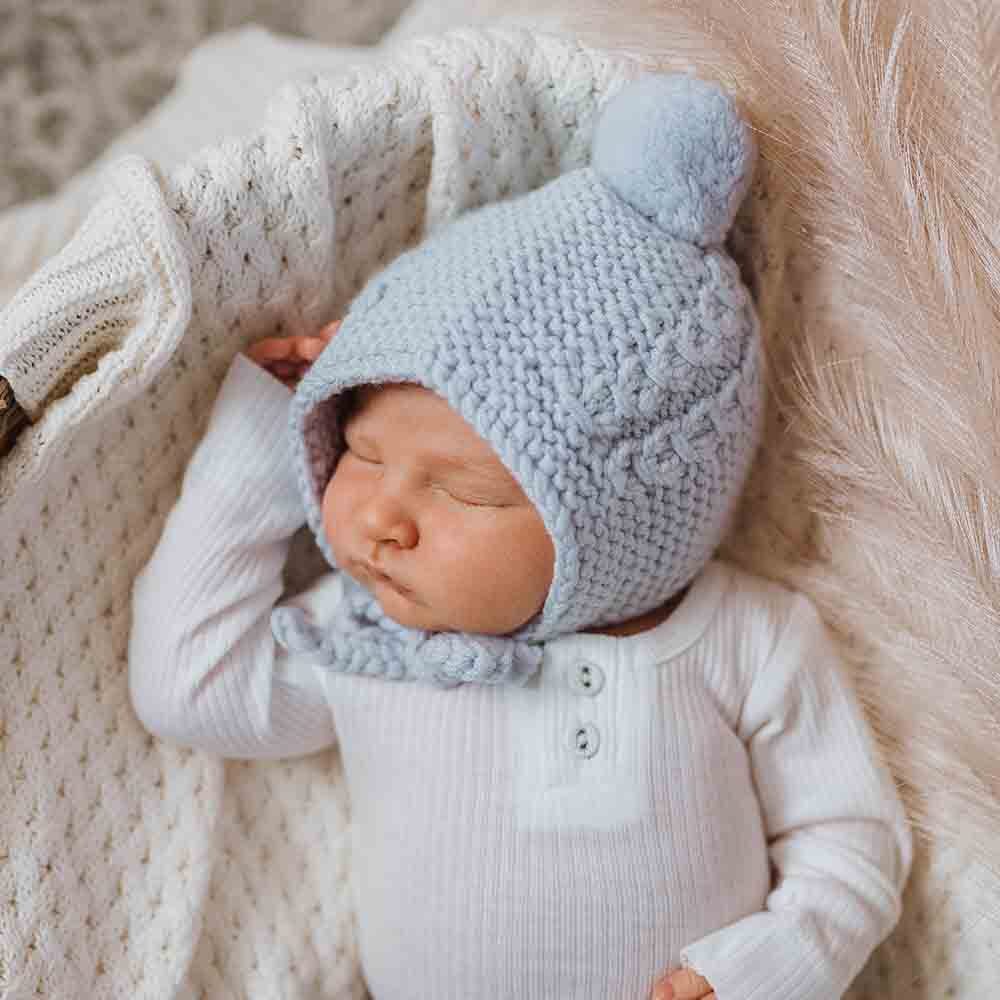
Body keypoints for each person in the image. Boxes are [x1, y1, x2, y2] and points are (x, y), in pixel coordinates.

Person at [128, 73, 913, 1000]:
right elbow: (191, 686)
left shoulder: (746, 638)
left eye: (460, 490)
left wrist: (768, 967)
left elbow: (852, 840)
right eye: (361, 454)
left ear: (612, 521)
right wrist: (260, 440)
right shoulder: (375, 639)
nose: (380, 517)